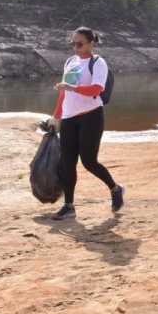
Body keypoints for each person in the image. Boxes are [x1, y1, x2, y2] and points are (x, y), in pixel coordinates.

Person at [50, 27, 124, 220]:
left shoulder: (98, 63)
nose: (76, 47)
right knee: (67, 163)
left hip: (91, 116)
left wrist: (72, 87)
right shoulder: (70, 62)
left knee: (89, 162)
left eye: (80, 44)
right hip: (69, 117)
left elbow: (97, 89)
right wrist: (56, 116)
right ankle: (69, 206)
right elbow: (64, 92)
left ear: (91, 43)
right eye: (73, 43)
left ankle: (115, 189)